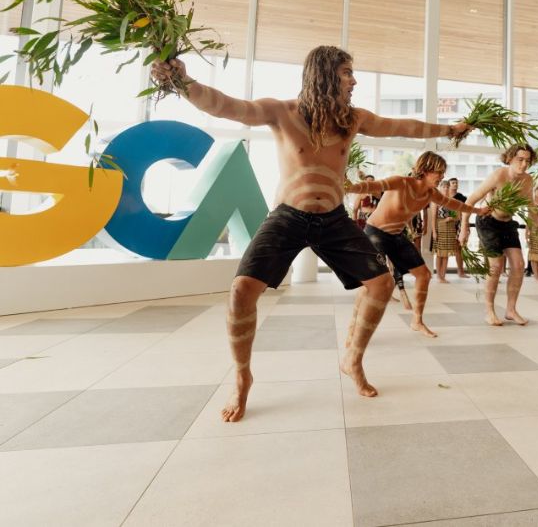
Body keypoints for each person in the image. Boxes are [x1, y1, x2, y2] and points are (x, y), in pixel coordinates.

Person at [150, 46, 472, 420]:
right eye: (347, 73)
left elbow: (404, 127)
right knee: (241, 291)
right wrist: (181, 81)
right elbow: (227, 106)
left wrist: (450, 130)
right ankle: (242, 377)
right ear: (324, 74)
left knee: (381, 284)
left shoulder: (353, 120)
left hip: (334, 219)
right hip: (289, 216)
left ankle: (352, 359)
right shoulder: (281, 112)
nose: (354, 81)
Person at [345, 152, 489, 338]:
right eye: (439, 172)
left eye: (443, 173)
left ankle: (417, 321)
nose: (442, 177)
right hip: (376, 233)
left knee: (424, 275)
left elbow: (455, 205)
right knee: (372, 285)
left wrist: (478, 210)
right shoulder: (401, 182)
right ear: (425, 169)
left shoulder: (431, 193)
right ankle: (353, 326)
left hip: (397, 234)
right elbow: (373, 185)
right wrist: (350, 186)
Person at [459, 144, 538, 326]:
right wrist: (464, 227)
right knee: (495, 268)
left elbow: (531, 210)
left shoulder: (527, 181)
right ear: (510, 158)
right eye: (520, 160)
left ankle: (511, 310)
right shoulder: (498, 176)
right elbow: (470, 201)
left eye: (527, 160)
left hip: (507, 224)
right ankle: (489, 311)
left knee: (519, 265)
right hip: (488, 222)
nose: (524, 164)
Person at [433, 180, 460, 282]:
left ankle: (443, 276)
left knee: (447, 253)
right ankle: (438, 276)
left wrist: (451, 218)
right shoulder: (436, 200)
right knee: (440, 253)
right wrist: (434, 232)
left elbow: (457, 216)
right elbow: (433, 217)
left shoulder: (452, 201)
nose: (445, 189)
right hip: (440, 227)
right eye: (443, 187)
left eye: (447, 187)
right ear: (440, 188)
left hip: (450, 228)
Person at [449, 177, 470, 278]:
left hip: (459, 224)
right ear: (449, 185)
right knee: (445, 249)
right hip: (447, 225)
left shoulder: (462, 197)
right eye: (453, 183)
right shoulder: (444, 197)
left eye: (456, 183)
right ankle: (441, 273)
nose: (455, 184)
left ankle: (460, 271)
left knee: (459, 248)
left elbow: (467, 212)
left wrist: (467, 227)